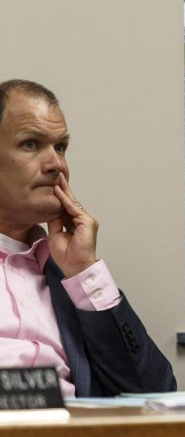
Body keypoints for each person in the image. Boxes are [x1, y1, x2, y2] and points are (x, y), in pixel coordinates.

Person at [0, 79, 175, 397]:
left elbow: (154, 390)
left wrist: (85, 272)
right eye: (31, 144)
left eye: (60, 147)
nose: (56, 164)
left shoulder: (65, 272)